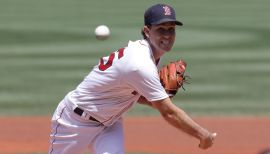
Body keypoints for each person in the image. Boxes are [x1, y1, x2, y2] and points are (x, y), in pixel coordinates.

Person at [48, 3, 217, 154]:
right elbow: (168, 113)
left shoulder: (152, 54)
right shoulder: (140, 64)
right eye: (161, 29)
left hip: (110, 123)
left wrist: (156, 97)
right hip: (74, 121)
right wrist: (203, 135)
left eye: (171, 29)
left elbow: (136, 95)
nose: (167, 35)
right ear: (147, 31)